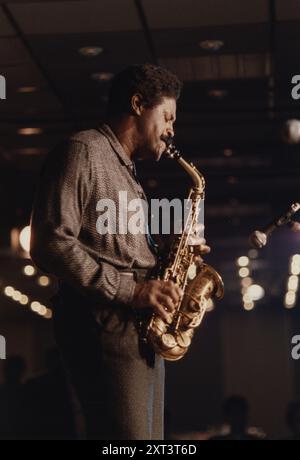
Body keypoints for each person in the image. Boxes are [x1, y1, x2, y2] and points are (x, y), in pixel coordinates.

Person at [30, 63, 209, 440]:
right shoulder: (83, 150)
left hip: (138, 327)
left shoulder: (124, 168)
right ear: (137, 104)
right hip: (107, 324)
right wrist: (132, 291)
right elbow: (49, 242)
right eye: (167, 116)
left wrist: (172, 251)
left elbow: (116, 247)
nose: (172, 129)